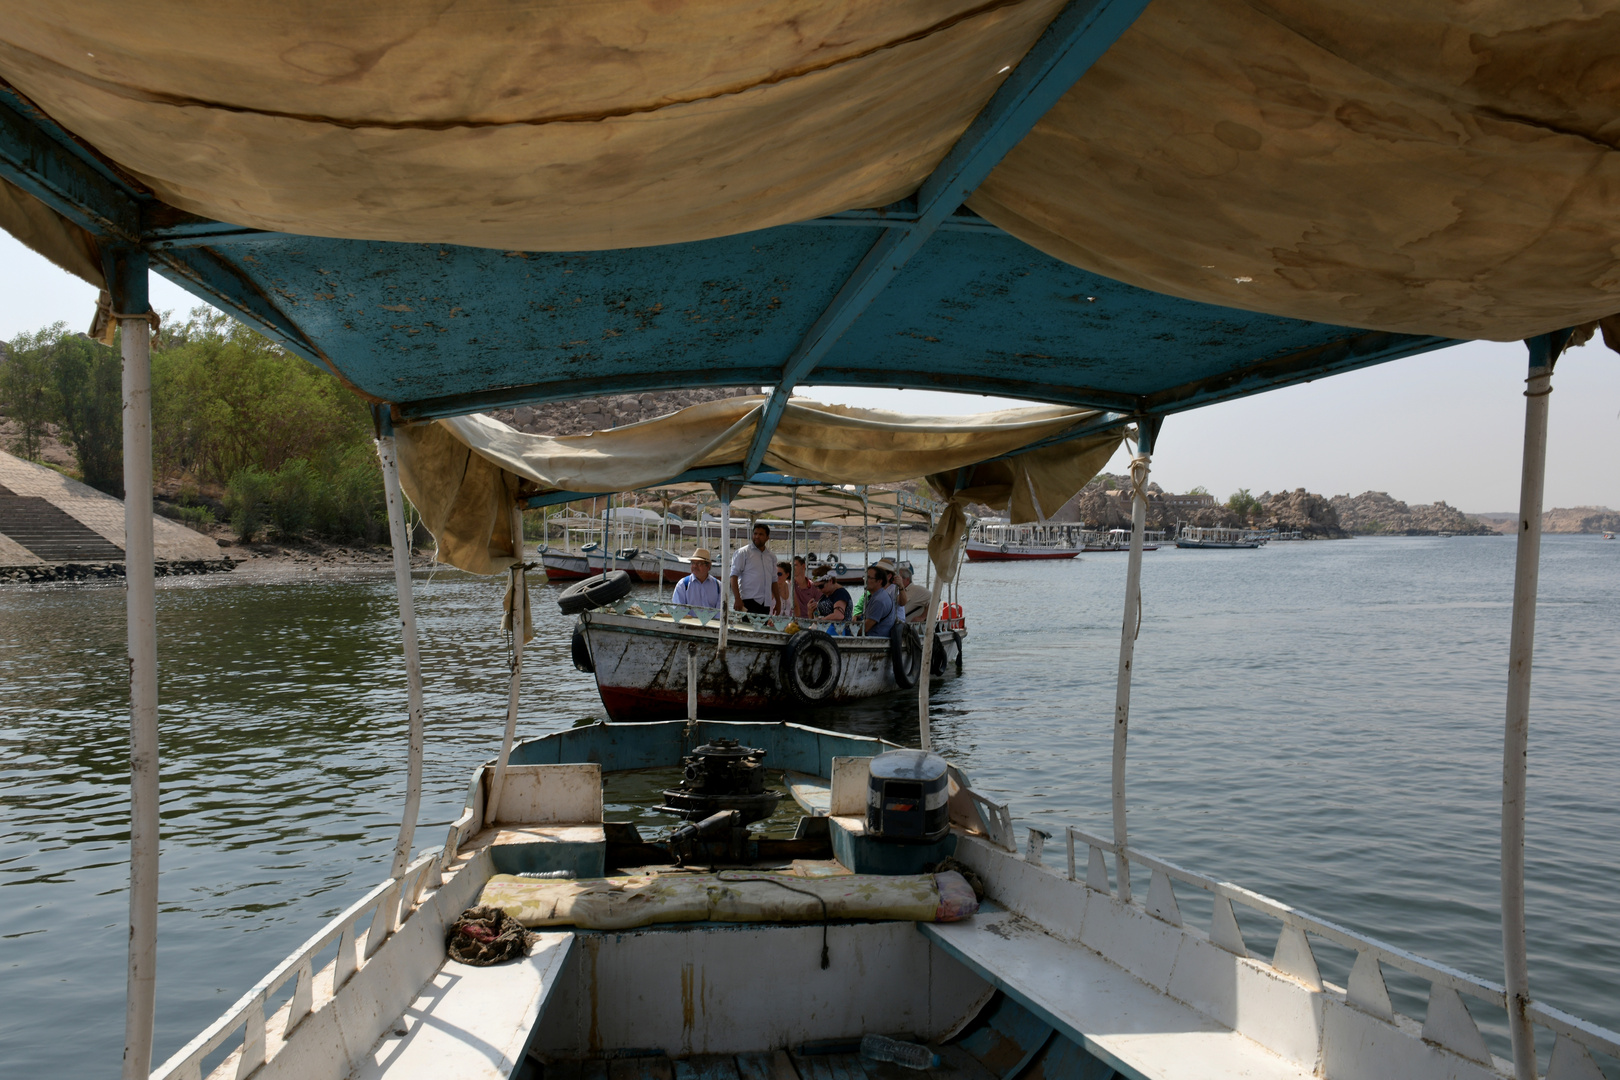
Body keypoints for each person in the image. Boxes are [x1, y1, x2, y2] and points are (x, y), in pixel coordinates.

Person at [729, 523, 775, 615]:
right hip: (747, 601)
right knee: (746, 628)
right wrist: (737, 599)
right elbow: (733, 576)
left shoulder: (771, 556)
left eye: (761, 534)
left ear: (767, 537)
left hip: (765, 603)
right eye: (755, 533)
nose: (757, 536)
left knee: (762, 629)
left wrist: (777, 602)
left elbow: (774, 580)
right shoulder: (743, 553)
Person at [862, 563, 898, 638]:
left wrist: (850, 633)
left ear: (879, 581)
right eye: (865, 577)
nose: (865, 580)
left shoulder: (879, 600)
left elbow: (865, 628)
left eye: (869, 578)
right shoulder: (878, 595)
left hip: (875, 639)